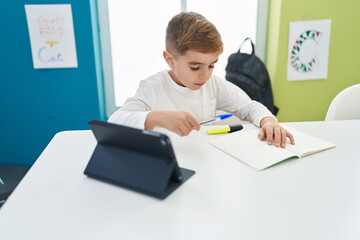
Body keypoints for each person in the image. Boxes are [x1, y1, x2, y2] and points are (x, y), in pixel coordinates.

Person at [109, 12, 295, 148]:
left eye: (212, 65)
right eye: (195, 67)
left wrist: (269, 121)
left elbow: (248, 106)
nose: (205, 75)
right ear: (170, 59)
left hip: (204, 160)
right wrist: (157, 118)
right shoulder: (152, 88)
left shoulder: (212, 84)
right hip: (168, 161)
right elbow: (114, 121)